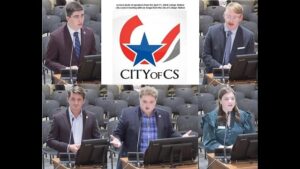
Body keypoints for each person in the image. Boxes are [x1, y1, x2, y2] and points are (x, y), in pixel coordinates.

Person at [110, 86, 192, 169]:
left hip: (156, 160)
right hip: (134, 160)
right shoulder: (127, 114)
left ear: (155, 101)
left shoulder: (164, 115)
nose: (147, 105)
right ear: (139, 100)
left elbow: (170, 133)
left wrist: (182, 138)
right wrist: (117, 139)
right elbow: (118, 133)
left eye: (151, 102)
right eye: (144, 101)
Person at [202, 2, 255, 74]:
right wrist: (220, 67)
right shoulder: (212, 31)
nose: (231, 20)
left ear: (240, 18)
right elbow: (206, 56)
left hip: (236, 75)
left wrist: (234, 67)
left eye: (234, 17)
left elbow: (250, 61)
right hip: (214, 73)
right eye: (228, 16)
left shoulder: (248, 36)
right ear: (224, 15)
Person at [45, 1, 96, 73]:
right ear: (68, 18)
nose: (80, 20)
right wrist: (65, 69)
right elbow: (49, 62)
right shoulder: (56, 36)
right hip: (65, 76)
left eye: (82, 15)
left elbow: (93, 57)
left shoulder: (89, 33)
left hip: (85, 76)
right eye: (76, 16)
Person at [47, 85, 100, 153]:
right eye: (73, 99)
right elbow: (50, 141)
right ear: (68, 99)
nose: (76, 103)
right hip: (66, 157)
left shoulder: (91, 117)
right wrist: (68, 147)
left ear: (83, 101)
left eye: (79, 99)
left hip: (85, 156)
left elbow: (97, 139)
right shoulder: (58, 118)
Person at [202, 86, 256, 152]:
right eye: (226, 99)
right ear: (220, 101)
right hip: (219, 154)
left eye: (232, 99)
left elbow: (251, 138)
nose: (230, 101)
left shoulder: (244, 116)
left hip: (240, 154)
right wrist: (225, 148)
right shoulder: (210, 118)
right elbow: (209, 142)